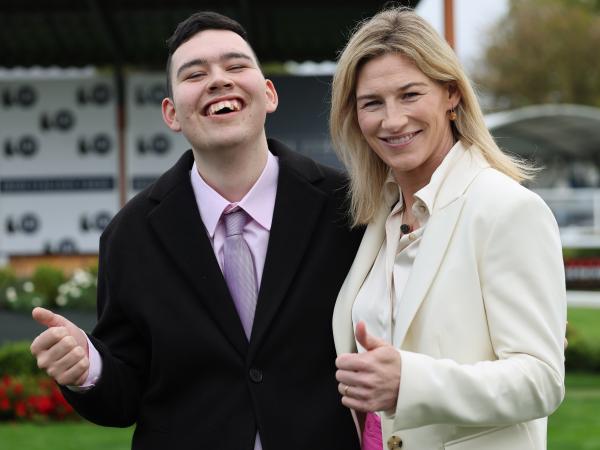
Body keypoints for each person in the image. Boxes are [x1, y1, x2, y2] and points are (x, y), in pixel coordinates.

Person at [29, 11, 362, 450]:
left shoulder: (349, 208)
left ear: (269, 94)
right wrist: (88, 368)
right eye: (195, 73)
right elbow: (125, 393)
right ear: (171, 113)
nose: (219, 80)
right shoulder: (128, 237)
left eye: (236, 65)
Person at [329, 7, 566, 450]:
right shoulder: (377, 220)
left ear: (451, 95)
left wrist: (411, 383)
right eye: (372, 103)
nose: (392, 119)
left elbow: (542, 379)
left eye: (410, 94)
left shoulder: (505, 209)